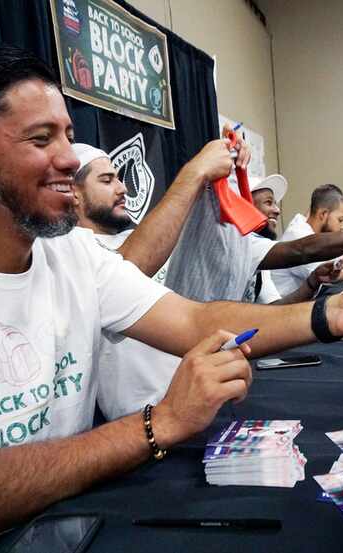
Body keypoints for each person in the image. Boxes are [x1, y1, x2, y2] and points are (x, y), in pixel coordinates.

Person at [0, 44, 343, 553]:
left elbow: (194, 318)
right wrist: (160, 423)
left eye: (67, 135)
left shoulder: (74, 254)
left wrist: (335, 314)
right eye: (41, 139)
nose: (66, 159)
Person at [70, 139, 246, 420]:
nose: (122, 188)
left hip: (203, 399)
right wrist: (197, 170)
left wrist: (230, 167)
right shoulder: (68, 251)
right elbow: (130, 266)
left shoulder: (140, 237)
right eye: (106, 180)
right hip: (145, 421)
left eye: (119, 178)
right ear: (73, 193)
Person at [246, 176, 343, 304]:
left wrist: (312, 282)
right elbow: (306, 250)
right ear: (322, 214)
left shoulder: (261, 258)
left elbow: (274, 309)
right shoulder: (298, 236)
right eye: (268, 202)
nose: (277, 209)